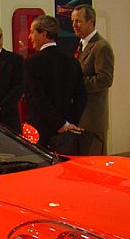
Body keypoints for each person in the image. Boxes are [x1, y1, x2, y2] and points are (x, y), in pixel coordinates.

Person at [24, 15, 86, 149]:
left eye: (32, 32)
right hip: (67, 132)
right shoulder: (72, 62)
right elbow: (81, 97)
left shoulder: (32, 63)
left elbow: (37, 99)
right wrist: (68, 123)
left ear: (44, 34)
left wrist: (60, 124)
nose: (30, 37)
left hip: (40, 131)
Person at [71, 4, 114, 153]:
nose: (74, 25)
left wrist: (77, 84)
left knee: (95, 164)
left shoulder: (101, 47)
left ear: (91, 21)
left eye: (78, 21)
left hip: (93, 120)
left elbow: (105, 79)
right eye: (73, 21)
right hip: (81, 117)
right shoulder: (82, 45)